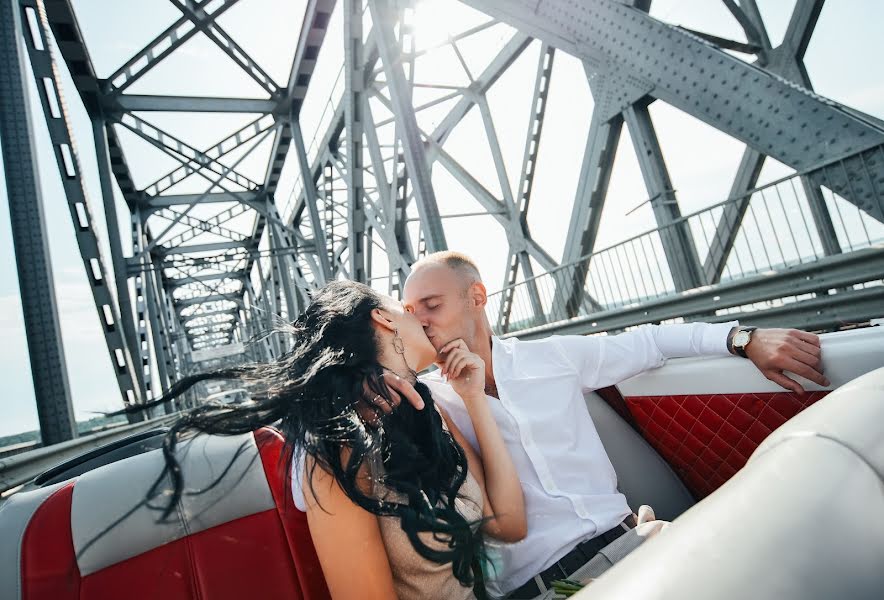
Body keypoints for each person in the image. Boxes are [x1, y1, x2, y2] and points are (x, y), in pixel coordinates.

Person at [388, 250, 829, 599]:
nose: (421, 319)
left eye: (432, 304)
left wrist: (742, 339)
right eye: (411, 310)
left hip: (630, 544)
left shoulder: (550, 358)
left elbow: (650, 342)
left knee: (783, 568)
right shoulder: (430, 405)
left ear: (477, 298)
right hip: (553, 588)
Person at [130, 280, 527, 599]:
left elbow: (510, 526)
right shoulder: (337, 454)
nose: (420, 317)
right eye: (405, 308)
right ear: (384, 319)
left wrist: (472, 399)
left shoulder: (431, 412)